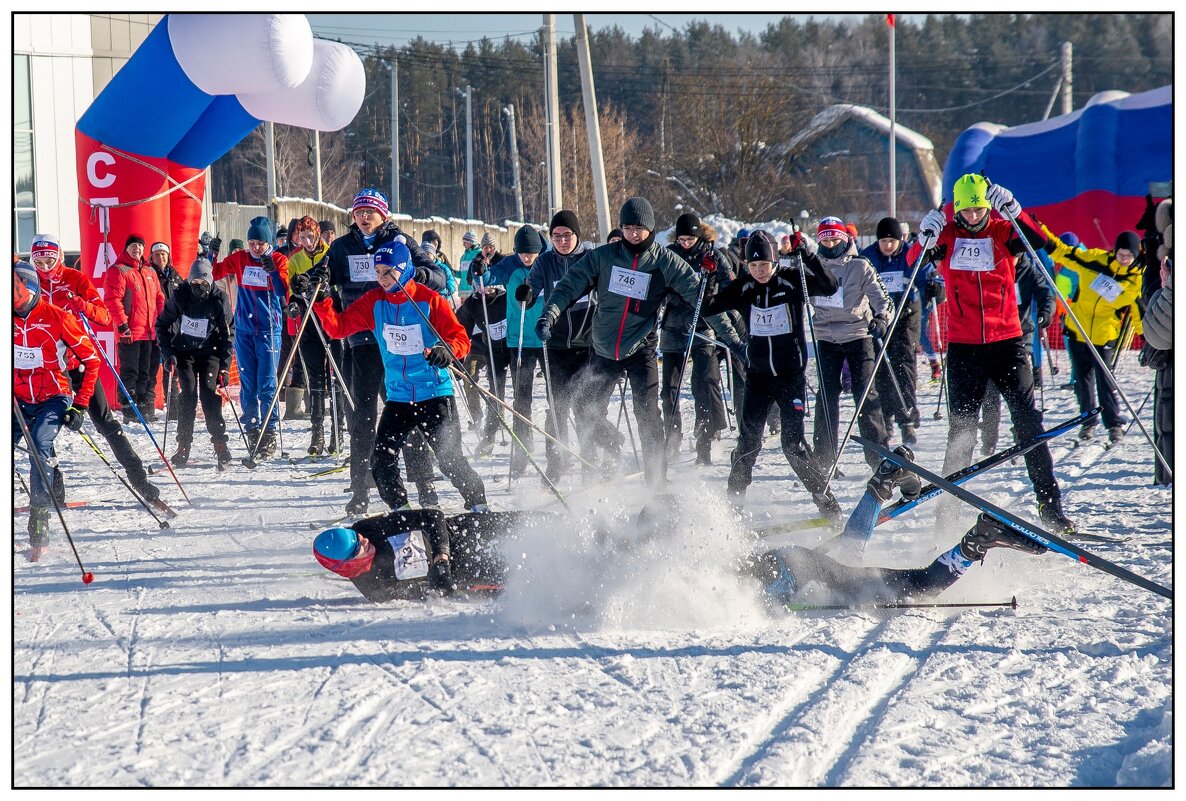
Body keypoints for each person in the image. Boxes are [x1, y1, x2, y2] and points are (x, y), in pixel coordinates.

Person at [918, 173, 1077, 533]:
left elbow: (1041, 242)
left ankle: (1050, 506)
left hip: (1008, 340)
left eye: (979, 209)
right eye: (966, 211)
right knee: (962, 431)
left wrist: (1017, 211)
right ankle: (947, 511)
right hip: (964, 347)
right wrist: (923, 234)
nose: (973, 217)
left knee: (1028, 423)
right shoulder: (946, 234)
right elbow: (916, 261)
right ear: (956, 209)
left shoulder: (1003, 230)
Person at [311, 241, 487, 514]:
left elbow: (460, 337)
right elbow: (339, 328)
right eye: (378, 272)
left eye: (388, 272)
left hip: (434, 392)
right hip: (399, 396)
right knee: (381, 461)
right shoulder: (374, 301)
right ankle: (402, 511)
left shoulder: (429, 300)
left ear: (404, 270)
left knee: (449, 459)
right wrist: (322, 300)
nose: (381, 278)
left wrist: (446, 351)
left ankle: (478, 504)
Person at [536, 197, 703, 485]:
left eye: (639, 228)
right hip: (602, 348)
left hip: (641, 349)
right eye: (627, 228)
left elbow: (700, 296)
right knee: (586, 410)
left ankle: (656, 482)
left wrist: (734, 340)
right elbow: (568, 286)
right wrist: (548, 315)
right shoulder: (604, 257)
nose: (633, 234)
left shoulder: (665, 261)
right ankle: (596, 470)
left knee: (648, 414)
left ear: (650, 228)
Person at [305, 189, 448, 515]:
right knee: (362, 417)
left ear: (383, 214)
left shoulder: (402, 243)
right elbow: (320, 280)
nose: (365, 217)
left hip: (399, 338)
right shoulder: (341, 247)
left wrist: (420, 274)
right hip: (363, 341)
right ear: (353, 216)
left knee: (408, 411)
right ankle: (360, 490)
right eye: (359, 212)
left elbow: (438, 277)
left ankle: (425, 488)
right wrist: (315, 284)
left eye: (371, 211)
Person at [751, 451, 1047, 608]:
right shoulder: (718, 578)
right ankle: (883, 482)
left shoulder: (720, 590)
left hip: (792, 572)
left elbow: (744, 598)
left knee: (921, 587)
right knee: (849, 560)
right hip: (789, 562)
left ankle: (978, 540)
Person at [703, 230, 843, 520]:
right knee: (748, 444)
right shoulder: (745, 287)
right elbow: (708, 308)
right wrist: (709, 277)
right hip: (758, 378)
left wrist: (807, 254)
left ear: (775, 261)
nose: (759, 272)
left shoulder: (792, 280)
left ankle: (826, 502)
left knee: (793, 445)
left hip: (790, 376)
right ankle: (734, 506)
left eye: (764, 265)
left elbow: (829, 287)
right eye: (753, 267)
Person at [28, 234, 164, 506]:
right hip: (47, 368)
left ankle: (139, 478)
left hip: (78, 361)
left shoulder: (75, 279)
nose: (44, 267)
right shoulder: (28, 283)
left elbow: (104, 316)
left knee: (104, 421)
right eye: (39, 261)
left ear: (59, 257)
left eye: (49, 260)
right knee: (41, 428)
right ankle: (54, 484)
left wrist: (81, 304)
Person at [521, 210, 621, 480]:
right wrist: (527, 294)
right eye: (556, 236)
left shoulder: (591, 257)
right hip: (554, 346)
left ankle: (594, 458)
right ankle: (556, 463)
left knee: (585, 408)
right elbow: (532, 286)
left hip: (587, 345)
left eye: (567, 235)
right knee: (556, 408)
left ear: (577, 235)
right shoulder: (545, 262)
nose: (562, 241)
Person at [14, 262, 100, 559]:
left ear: (34, 291)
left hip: (53, 396)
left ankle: (39, 520)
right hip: (17, 398)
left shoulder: (58, 317)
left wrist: (81, 403)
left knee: (39, 446)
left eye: (21, 298)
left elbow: (92, 361)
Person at [1042, 226, 1145, 444]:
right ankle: (1088, 422)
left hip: (1104, 335)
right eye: (1120, 254)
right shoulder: (1096, 260)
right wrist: (1038, 230)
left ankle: (1114, 424)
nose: (1124, 259)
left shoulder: (1135, 279)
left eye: (1129, 256)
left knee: (1105, 380)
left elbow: (1139, 313)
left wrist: (1148, 340)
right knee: (1082, 382)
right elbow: (1063, 252)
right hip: (1077, 330)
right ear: (1114, 251)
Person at [807, 216, 892, 469]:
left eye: (835, 238)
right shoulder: (812, 266)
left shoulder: (860, 265)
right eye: (826, 239)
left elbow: (883, 299)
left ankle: (877, 456)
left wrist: (881, 318)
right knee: (826, 394)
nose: (831, 243)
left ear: (845, 239)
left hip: (858, 333)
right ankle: (823, 456)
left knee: (865, 393)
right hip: (825, 336)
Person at [663, 212, 745, 464]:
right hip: (674, 326)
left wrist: (710, 289)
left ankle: (704, 443)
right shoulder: (669, 254)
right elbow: (662, 288)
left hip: (704, 326)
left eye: (690, 239)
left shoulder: (714, 255)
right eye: (681, 239)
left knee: (703, 385)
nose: (685, 243)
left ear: (700, 236)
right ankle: (672, 440)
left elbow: (732, 288)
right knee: (669, 390)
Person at [208, 216, 290, 458]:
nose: (255, 248)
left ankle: (269, 431)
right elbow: (214, 273)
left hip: (268, 331)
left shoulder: (278, 260)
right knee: (248, 385)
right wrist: (211, 253)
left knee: (267, 384)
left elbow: (283, 292)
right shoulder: (240, 258)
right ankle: (253, 429)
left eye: (260, 243)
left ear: (269, 243)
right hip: (244, 330)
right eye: (252, 242)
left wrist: (272, 271)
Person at [860, 217, 942, 445]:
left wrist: (936, 288)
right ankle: (885, 418)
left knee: (904, 365)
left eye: (892, 241)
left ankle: (907, 419)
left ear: (900, 239)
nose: (888, 245)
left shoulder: (910, 253)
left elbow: (930, 276)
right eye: (884, 241)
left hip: (906, 314)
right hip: (879, 318)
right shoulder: (869, 257)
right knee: (881, 369)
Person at [479, 226, 547, 476]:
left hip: (546, 339)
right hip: (519, 340)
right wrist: (481, 270)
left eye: (532, 253)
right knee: (521, 399)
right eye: (523, 253)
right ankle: (522, 449)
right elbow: (486, 279)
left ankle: (554, 449)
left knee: (556, 395)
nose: (528, 258)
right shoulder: (510, 264)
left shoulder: (547, 263)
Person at [155, 258, 235, 468]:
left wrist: (225, 366)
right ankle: (183, 445)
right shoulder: (181, 295)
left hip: (211, 352)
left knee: (209, 393)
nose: (198, 288)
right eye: (194, 283)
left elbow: (228, 334)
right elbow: (162, 325)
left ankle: (219, 443)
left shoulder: (219, 299)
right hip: (185, 352)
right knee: (188, 394)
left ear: (210, 282)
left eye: (202, 284)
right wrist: (167, 354)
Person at [103, 233, 165, 423]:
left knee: (148, 372)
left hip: (150, 333)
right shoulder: (119, 270)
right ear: (126, 248)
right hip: (130, 333)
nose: (136, 249)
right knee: (131, 373)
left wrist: (162, 321)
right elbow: (112, 300)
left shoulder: (150, 272)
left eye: (140, 246)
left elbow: (159, 298)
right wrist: (122, 325)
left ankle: (146, 410)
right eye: (133, 246)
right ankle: (130, 412)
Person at [1138, 197, 1172, 486]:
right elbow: (1149, 301)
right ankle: (1165, 478)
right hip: (1165, 352)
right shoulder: (1158, 258)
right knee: (1165, 421)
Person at [455, 281, 511, 454]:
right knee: (470, 376)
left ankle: (504, 423)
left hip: (507, 347)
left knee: (501, 389)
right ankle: (477, 416)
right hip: (480, 349)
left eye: (487, 286)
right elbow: (460, 329)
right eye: (479, 287)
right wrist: (456, 356)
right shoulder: (471, 304)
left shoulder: (505, 299)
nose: (484, 291)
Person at [149, 241, 183, 420]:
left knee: (174, 368)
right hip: (158, 327)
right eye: (157, 255)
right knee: (158, 368)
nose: (161, 258)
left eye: (163, 254)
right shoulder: (150, 274)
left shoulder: (175, 276)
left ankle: (176, 408)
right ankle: (152, 406)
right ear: (151, 257)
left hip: (176, 328)